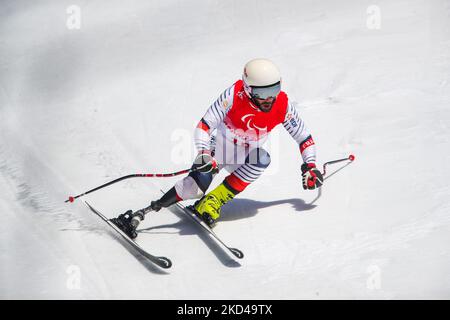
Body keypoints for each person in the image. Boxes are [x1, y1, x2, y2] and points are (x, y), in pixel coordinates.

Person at [111, 58, 323, 239]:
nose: (269, 98)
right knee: (193, 188)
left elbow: (304, 138)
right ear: (248, 89)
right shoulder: (234, 94)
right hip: (219, 147)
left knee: (262, 159)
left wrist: (310, 166)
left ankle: (212, 202)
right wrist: (204, 153)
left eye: (274, 89)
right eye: (263, 92)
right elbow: (204, 126)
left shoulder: (282, 106)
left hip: (245, 153)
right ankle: (140, 214)